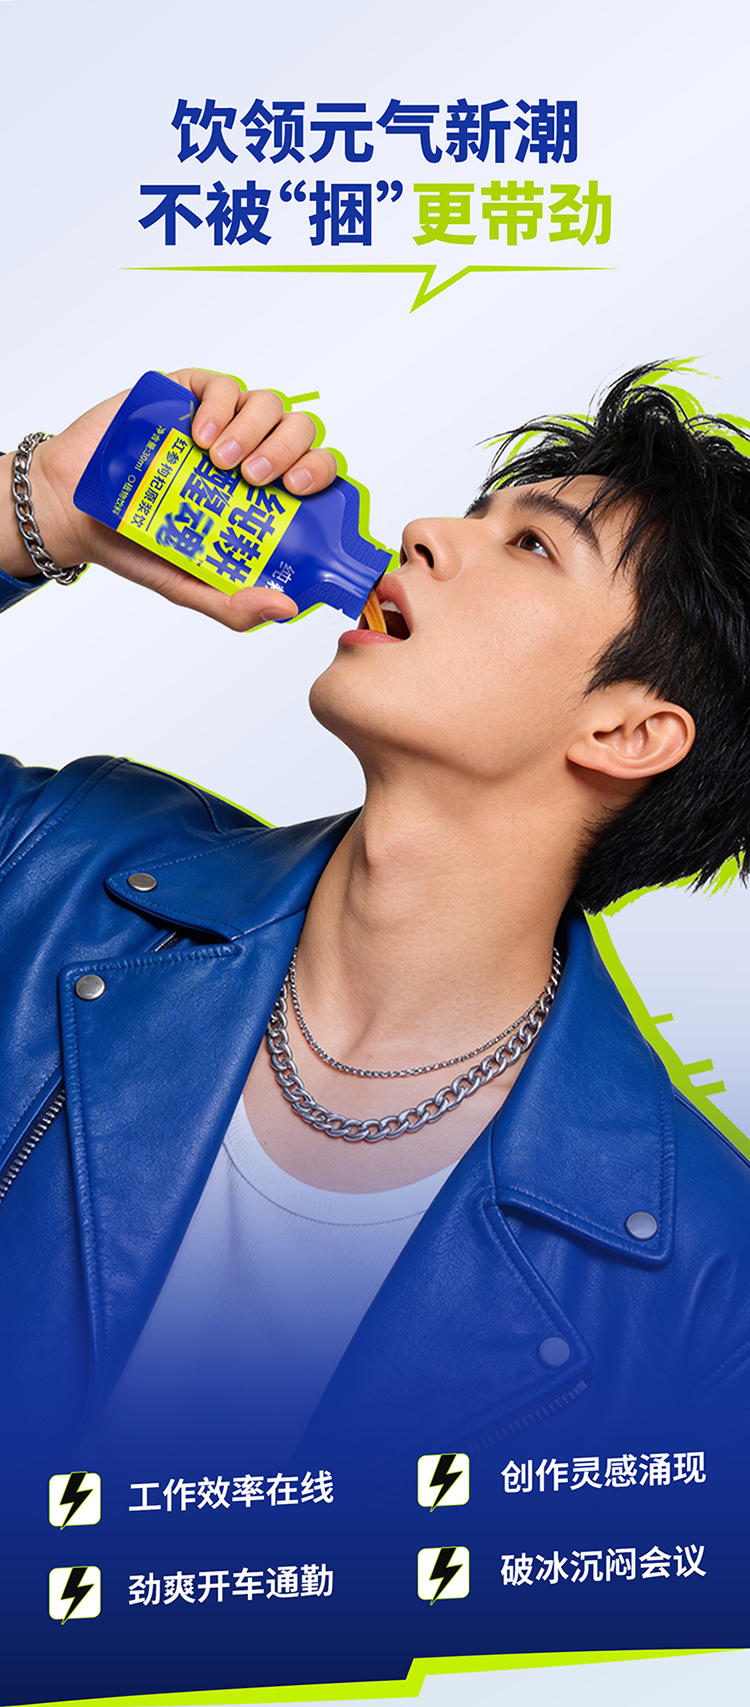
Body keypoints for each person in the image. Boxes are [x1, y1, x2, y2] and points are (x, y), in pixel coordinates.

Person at [2, 367, 750, 1673]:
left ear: (630, 731)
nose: (423, 533)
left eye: (533, 545)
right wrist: (38, 507)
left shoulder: (704, 1282)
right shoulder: (65, 869)